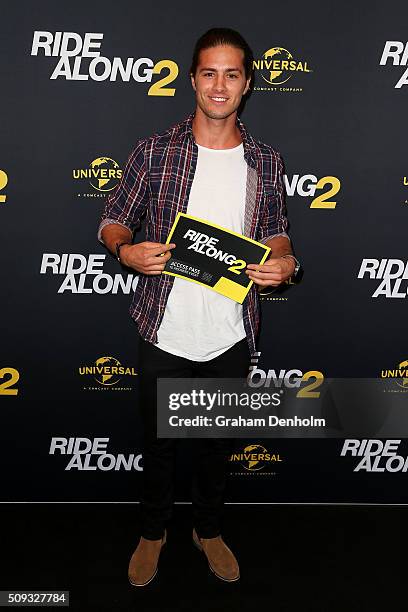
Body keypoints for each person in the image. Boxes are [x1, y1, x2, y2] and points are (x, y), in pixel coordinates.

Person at [97, 27, 299, 586]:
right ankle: (152, 532)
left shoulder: (265, 160)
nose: (219, 85)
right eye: (208, 72)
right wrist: (125, 249)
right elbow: (113, 217)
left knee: (215, 448)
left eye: (231, 74)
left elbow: (276, 234)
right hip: (164, 328)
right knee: (158, 447)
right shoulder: (154, 150)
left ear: (247, 84)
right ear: (192, 80)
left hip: (230, 333)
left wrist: (284, 262)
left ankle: (207, 530)